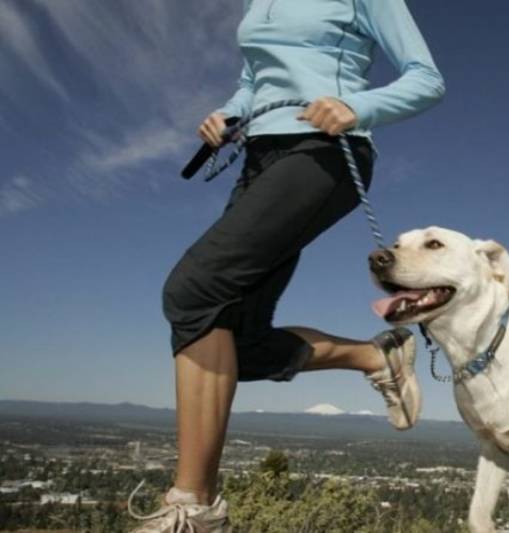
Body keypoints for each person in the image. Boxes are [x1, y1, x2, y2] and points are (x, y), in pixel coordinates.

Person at [127, 0, 445, 531]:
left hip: (325, 152)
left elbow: (426, 79)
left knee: (193, 291)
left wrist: (358, 107)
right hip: (259, 158)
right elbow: (255, 79)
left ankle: (194, 505)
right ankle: (376, 358)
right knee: (239, 347)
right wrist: (229, 113)